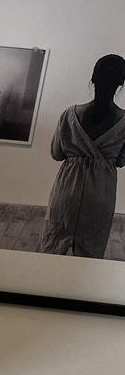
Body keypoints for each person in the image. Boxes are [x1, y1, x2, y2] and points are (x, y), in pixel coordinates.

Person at [38, 54, 125, 258]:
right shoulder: (123, 121)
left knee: (52, 250)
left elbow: (56, 153)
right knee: (90, 257)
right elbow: (121, 161)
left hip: (67, 191)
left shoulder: (69, 114)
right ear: (121, 83)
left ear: (93, 78)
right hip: (100, 195)